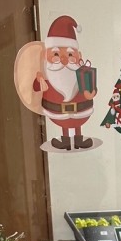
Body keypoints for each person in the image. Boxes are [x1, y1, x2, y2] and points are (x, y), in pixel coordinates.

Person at [33, 15, 96, 151]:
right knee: (64, 123)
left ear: (79, 56)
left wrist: (90, 93)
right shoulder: (48, 76)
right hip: (57, 111)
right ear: (46, 56)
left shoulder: (82, 74)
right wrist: (38, 81)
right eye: (56, 54)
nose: (64, 60)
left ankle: (78, 139)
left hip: (81, 110)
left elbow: (90, 88)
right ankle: (65, 140)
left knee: (77, 122)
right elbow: (36, 88)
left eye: (70, 54)